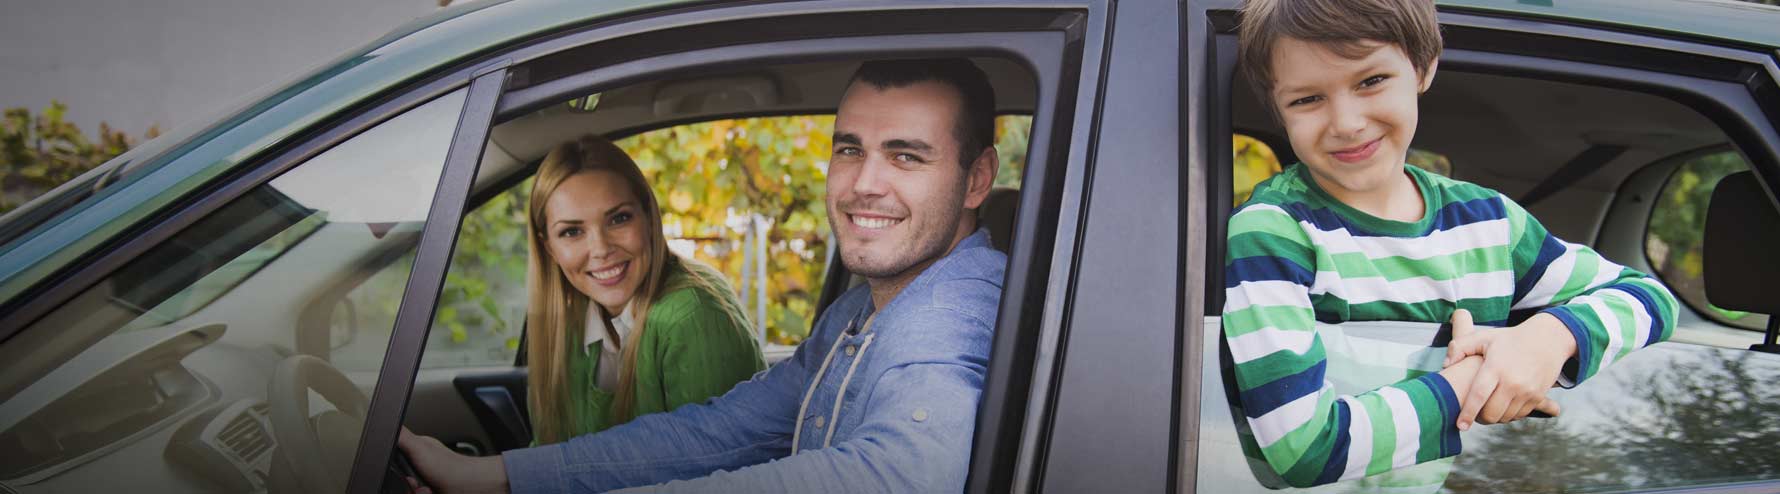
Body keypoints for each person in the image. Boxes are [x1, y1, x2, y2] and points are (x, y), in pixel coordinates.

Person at [399, 58, 1007, 493]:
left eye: (906, 155)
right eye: (849, 149)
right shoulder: (857, 315)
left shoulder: (950, 313)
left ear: (977, 179)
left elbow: (903, 476)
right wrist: (495, 475)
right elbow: (724, 431)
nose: (863, 183)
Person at [1223, 0, 1679, 488]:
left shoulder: (1488, 224)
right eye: (1307, 99)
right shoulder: (1275, 232)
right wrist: (1471, 384)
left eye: (1371, 81)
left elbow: (1650, 298)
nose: (1347, 121)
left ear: (1422, 68)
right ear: (1277, 107)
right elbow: (1302, 449)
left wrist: (1543, 340)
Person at [520, 135, 765, 444]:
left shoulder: (691, 315)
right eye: (572, 231)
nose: (600, 249)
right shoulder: (569, 324)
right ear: (550, 248)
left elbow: (713, 472)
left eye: (618, 219)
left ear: (649, 217)